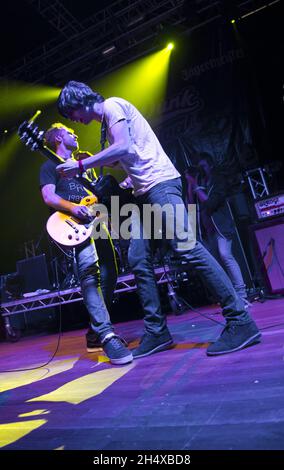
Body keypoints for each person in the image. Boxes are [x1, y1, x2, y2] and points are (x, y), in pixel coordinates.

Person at [56, 81, 261, 358]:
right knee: (139, 258)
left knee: (187, 246)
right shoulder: (106, 123)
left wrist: (81, 165)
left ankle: (240, 321)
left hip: (161, 185)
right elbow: (130, 154)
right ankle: (157, 332)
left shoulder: (112, 105)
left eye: (72, 114)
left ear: (78, 102)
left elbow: (125, 146)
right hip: (144, 193)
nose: (75, 121)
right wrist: (103, 166)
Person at [39, 123, 133, 365]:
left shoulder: (83, 167)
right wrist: (74, 208)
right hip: (75, 224)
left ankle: (94, 332)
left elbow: (95, 197)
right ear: (59, 137)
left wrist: (121, 189)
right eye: (71, 132)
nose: (76, 134)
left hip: (97, 221)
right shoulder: (50, 165)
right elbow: (49, 196)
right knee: (90, 273)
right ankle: (106, 333)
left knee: (111, 270)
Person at [185, 152, 248, 303]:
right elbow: (190, 206)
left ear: (210, 165)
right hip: (208, 229)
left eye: (203, 166)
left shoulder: (218, 181)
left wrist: (195, 186)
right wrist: (190, 184)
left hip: (221, 226)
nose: (201, 170)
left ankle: (242, 292)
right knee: (216, 262)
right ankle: (228, 295)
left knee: (225, 255)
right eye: (199, 167)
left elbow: (210, 203)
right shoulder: (200, 182)